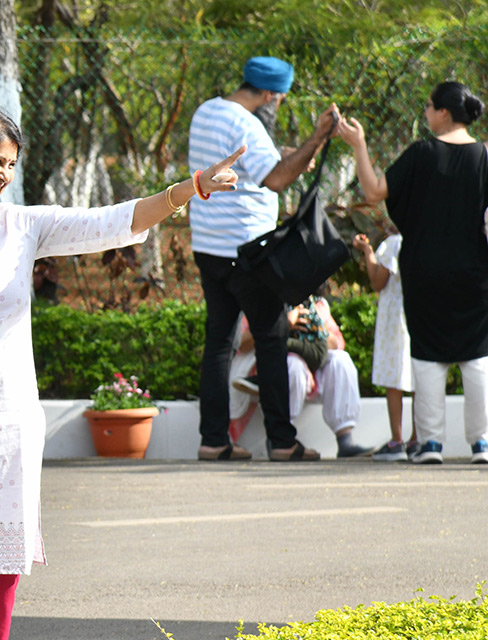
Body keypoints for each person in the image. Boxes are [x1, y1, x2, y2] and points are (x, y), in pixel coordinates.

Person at [0, 102, 241, 640]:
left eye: (11, 166)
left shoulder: (25, 226)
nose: (2, 177)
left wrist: (189, 189)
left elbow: (115, 222)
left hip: (8, 428)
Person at [190, 55, 342, 462]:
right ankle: (282, 442)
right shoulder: (247, 124)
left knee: (218, 343)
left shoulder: (207, 111)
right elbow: (276, 178)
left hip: (208, 246)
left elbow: (254, 167)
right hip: (248, 252)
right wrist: (316, 138)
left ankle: (213, 439)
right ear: (272, 94)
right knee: (272, 341)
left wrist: (285, 155)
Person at [338, 83, 488, 465]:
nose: (425, 113)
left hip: (423, 272)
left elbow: (373, 192)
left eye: (428, 106)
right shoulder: (484, 157)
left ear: (442, 113)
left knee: (427, 356)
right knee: (477, 357)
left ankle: (431, 444)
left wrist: (359, 144)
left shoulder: (421, 153)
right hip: (475, 274)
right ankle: (482, 443)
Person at [229, 296, 372, 457]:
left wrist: (316, 329)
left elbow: (337, 342)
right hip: (276, 363)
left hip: (312, 365)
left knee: (341, 360)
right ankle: (280, 437)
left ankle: (345, 440)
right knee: (292, 364)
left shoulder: (316, 304)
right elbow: (241, 342)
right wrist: (282, 324)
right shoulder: (259, 300)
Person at [353, 230, 416, 461]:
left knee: (394, 379)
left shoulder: (394, 243)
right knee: (417, 376)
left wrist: (368, 252)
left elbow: (378, 282)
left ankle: (397, 440)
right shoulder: (422, 239)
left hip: (394, 319)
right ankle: (417, 439)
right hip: (417, 315)